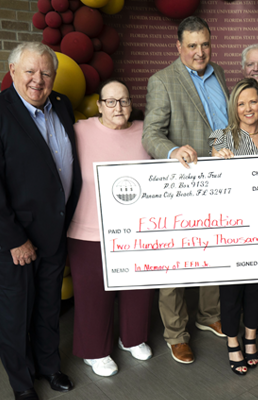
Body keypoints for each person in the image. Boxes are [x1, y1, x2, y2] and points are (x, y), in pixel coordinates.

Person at [0, 42, 82, 400]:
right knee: (15, 313)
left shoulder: (62, 106)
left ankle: (49, 366)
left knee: (48, 307)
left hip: (53, 230)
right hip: (13, 239)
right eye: (30, 71)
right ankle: (22, 382)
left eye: (46, 72)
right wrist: (14, 240)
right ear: (13, 71)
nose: (38, 79)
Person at [142, 15, 228, 364]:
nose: (199, 51)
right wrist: (173, 151)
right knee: (174, 262)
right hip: (181, 183)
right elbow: (150, 133)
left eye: (205, 44)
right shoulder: (162, 81)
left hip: (220, 182)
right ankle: (177, 334)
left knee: (214, 251)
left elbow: (224, 123)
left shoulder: (219, 73)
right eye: (191, 45)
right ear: (178, 47)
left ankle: (209, 315)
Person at [67, 79, 154, 377]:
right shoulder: (80, 131)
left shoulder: (146, 131)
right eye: (111, 101)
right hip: (88, 229)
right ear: (100, 105)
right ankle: (94, 351)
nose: (119, 107)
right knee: (93, 293)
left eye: (125, 101)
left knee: (137, 289)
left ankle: (133, 338)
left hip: (135, 230)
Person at [210, 77, 258, 375]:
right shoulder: (221, 137)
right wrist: (217, 161)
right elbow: (210, 179)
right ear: (234, 107)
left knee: (256, 288)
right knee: (231, 291)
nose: (248, 108)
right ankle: (233, 343)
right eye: (241, 103)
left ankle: (251, 338)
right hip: (231, 229)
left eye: (253, 101)